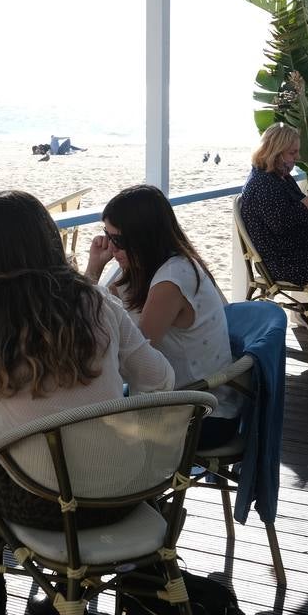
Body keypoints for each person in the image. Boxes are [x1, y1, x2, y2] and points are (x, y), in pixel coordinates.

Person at [0, 191, 174, 615]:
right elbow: (160, 380)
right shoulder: (97, 302)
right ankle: (69, 597)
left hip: (40, 502)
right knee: (68, 451)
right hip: (125, 494)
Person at [86, 184, 241, 447]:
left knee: (90, 440)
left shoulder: (172, 279)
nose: (111, 249)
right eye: (107, 236)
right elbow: (90, 317)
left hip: (202, 413)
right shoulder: (141, 268)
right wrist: (93, 268)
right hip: (172, 400)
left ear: (144, 238)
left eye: (119, 240)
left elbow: (134, 359)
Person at [237, 122, 308, 359]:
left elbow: (295, 215)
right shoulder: (263, 183)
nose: (296, 157)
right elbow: (281, 224)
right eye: (292, 152)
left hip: (296, 247)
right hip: (282, 258)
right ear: (275, 150)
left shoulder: (280, 178)